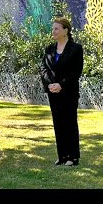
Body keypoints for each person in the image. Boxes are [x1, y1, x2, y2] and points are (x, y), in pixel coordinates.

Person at [40, 17, 84, 166]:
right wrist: (50, 84)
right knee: (58, 123)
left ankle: (73, 157)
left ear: (66, 31)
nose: (53, 31)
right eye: (53, 29)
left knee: (69, 123)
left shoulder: (76, 49)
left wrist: (61, 85)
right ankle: (62, 155)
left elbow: (76, 72)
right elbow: (43, 68)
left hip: (68, 92)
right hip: (53, 92)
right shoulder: (49, 49)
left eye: (56, 28)